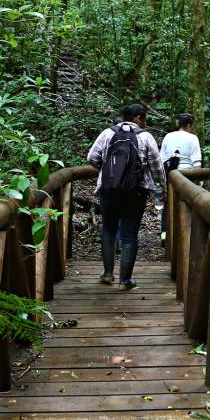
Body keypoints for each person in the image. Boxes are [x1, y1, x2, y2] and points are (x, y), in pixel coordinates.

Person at [87, 103, 165, 290]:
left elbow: (92, 157)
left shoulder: (108, 133)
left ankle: (107, 274)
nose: (145, 122)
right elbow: (156, 167)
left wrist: (111, 174)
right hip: (135, 192)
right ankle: (124, 281)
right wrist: (162, 188)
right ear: (138, 118)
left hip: (109, 190)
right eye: (144, 118)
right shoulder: (145, 137)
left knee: (108, 229)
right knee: (129, 235)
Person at [159, 113, 202, 242]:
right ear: (189, 125)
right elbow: (196, 162)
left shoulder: (168, 136)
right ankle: (185, 236)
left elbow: (162, 159)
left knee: (168, 205)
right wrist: (200, 180)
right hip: (187, 175)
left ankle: (165, 235)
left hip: (170, 174)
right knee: (187, 204)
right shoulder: (193, 138)